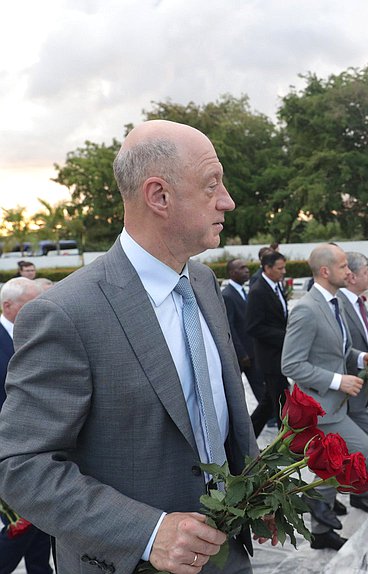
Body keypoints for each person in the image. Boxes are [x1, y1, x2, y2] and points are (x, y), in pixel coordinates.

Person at [0, 120, 267, 573]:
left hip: (228, 550)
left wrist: (257, 487)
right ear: (159, 196)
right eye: (211, 185)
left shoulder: (201, 281)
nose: (228, 200)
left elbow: (221, 410)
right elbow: (20, 466)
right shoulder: (66, 313)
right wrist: (148, 533)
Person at [281, 244, 368, 551]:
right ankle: (317, 501)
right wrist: (338, 381)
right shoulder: (307, 309)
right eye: (344, 267)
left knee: (350, 454)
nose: (349, 272)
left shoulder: (333, 303)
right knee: (361, 448)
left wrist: (361, 358)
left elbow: (336, 349)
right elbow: (291, 364)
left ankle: (321, 520)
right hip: (319, 408)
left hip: (338, 406)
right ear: (325, 271)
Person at [0, 278, 50, 574]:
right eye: (32, 304)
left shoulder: (38, 332)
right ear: (8, 306)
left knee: (42, 525)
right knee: (21, 523)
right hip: (9, 449)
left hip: (44, 445)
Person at [336, 252, 368, 510]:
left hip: (359, 387)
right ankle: (355, 494)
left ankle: (355, 492)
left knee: (362, 444)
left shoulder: (358, 302)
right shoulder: (339, 303)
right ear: (351, 276)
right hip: (345, 391)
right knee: (366, 442)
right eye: (365, 271)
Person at [246, 251, 290, 438]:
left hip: (279, 354)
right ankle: (284, 441)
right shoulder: (258, 291)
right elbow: (253, 327)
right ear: (267, 268)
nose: (284, 271)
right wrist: (284, 336)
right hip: (269, 357)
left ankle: (245, 437)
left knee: (268, 402)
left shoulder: (276, 286)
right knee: (282, 401)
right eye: (280, 268)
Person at [222, 259, 265, 402]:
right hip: (241, 354)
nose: (247, 270)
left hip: (252, 351)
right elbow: (229, 326)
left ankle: (269, 418)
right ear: (233, 273)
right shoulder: (227, 295)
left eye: (246, 267)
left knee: (260, 386)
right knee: (235, 391)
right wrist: (241, 353)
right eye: (242, 268)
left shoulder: (243, 291)